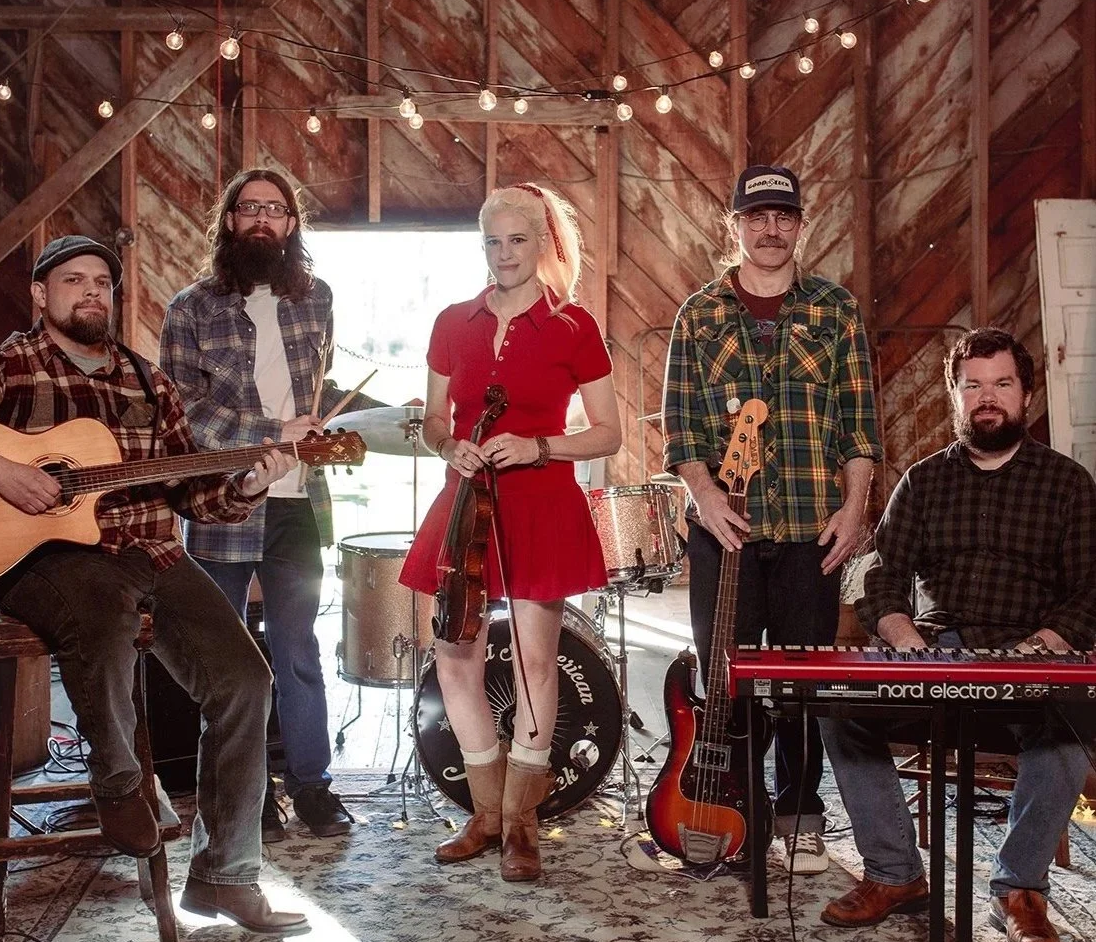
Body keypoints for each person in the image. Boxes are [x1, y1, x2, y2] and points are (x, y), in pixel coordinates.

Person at [0, 236, 307, 933]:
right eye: (73, 280)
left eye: (101, 282)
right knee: (103, 614)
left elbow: (190, 494)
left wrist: (244, 485)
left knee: (246, 680)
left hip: (151, 552)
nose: (91, 291)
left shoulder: (149, 382)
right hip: (46, 561)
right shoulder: (8, 366)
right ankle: (119, 783)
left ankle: (226, 876)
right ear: (41, 294)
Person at [820, 328, 1096, 942]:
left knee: (1076, 725)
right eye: (973, 386)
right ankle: (895, 872)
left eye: (1002, 384)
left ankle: (1020, 888)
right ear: (955, 395)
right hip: (939, 650)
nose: (987, 397)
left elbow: (1092, 589)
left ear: (1026, 395)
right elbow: (883, 571)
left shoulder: (1068, 484)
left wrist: (1046, 642)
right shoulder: (923, 481)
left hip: (1031, 655)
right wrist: (899, 631)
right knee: (838, 706)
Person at [662, 165, 882, 873]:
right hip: (722, 533)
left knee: (801, 686)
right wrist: (704, 496)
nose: (770, 229)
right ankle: (735, 808)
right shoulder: (698, 314)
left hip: (809, 532)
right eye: (756, 217)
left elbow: (858, 424)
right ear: (734, 226)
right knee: (726, 681)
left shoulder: (835, 310)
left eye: (783, 217)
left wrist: (854, 508)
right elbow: (680, 427)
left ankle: (800, 813)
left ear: (800, 226)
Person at [398, 183, 621, 881]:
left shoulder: (574, 326)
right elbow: (434, 420)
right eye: (492, 242)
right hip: (466, 502)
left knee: (533, 662)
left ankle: (522, 823)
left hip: (541, 501)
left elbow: (608, 433)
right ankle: (487, 814)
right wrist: (448, 445)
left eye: (517, 240)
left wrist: (539, 446)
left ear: (544, 243)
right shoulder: (452, 322)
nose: (503, 254)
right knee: (453, 655)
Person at [160, 168, 384, 843]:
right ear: (230, 220)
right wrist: (268, 433)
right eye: (249, 207)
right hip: (221, 504)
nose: (262, 218)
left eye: (275, 209)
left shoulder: (317, 299)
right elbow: (180, 410)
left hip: (296, 506)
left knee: (298, 653)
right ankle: (244, 795)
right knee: (226, 665)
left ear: (290, 225)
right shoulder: (190, 308)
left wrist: (346, 422)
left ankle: (312, 789)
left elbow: (312, 392)